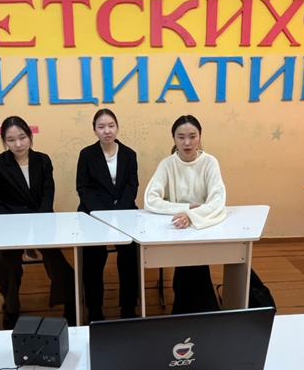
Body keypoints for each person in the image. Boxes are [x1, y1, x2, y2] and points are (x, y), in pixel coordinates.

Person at [0, 116, 76, 329]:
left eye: (22, 137)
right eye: (11, 140)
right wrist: (17, 227)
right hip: (10, 226)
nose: (18, 144)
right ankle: (11, 307)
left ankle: (70, 303)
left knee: (57, 260)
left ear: (30, 136)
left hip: (41, 222)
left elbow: (47, 196)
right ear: (4, 141)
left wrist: (39, 224)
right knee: (8, 263)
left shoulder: (42, 161)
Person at [144, 115, 226, 315]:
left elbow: (218, 200)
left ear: (200, 137)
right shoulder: (167, 164)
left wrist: (192, 215)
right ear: (174, 138)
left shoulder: (210, 162)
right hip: (177, 227)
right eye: (181, 137)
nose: (187, 142)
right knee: (192, 266)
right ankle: (202, 312)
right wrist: (186, 209)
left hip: (203, 226)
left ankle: (185, 312)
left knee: (193, 265)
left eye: (192, 136)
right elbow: (150, 199)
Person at [76, 109, 140, 322]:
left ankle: (128, 307)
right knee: (93, 258)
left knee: (130, 256)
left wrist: (118, 212)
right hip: (93, 213)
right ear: (94, 129)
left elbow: (132, 186)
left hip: (124, 211)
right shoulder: (87, 154)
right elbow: (83, 188)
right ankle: (94, 308)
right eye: (101, 127)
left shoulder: (129, 154)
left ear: (117, 127)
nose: (107, 131)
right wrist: (102, 214)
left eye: (111, 126)